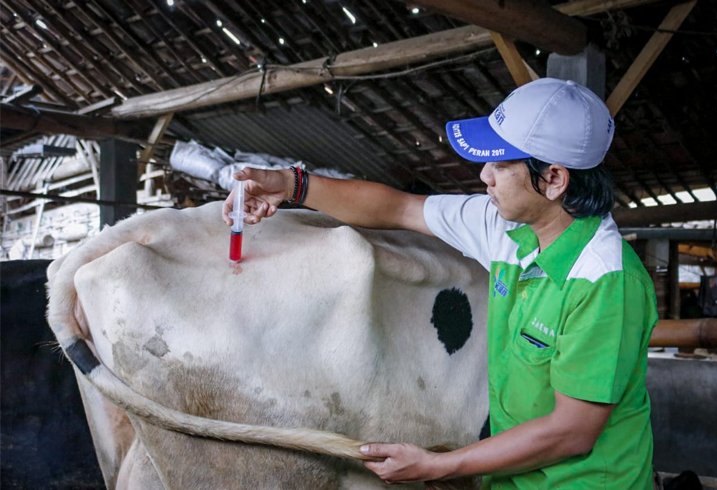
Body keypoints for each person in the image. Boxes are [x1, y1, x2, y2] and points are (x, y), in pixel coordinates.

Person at [222, 78, 657, 489]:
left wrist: (438, 465)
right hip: (515, 477)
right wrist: (291, 184)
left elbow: (572, 432)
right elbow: (399, 208)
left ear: (555, 179)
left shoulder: (605, 281)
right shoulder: (507, 227)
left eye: (502, 163)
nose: (485, 175)